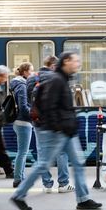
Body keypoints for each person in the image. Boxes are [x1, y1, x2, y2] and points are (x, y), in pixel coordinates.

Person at [10, 52, 102, 210]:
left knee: (78, 164)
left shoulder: (62, 79)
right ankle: (19, 195)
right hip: (58, 131)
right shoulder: (57, 80)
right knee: (43, 165)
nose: (78, 64)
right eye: (75, 61)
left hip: (66, 131)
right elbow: (49, 107)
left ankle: (83, 198)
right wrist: (58, 128)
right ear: (66, 62)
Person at [27, 55, 74, 194]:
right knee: (62, 152)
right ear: (54, 66)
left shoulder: (31, 78)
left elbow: (29, 102)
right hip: (55, 121)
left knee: (42, 152)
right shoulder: (56, 78)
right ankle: (63, 184)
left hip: (38, 122)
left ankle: (47, 185)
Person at [10, 62, 35, 188]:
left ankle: (20, 176)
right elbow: (23, 106)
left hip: (20, 122)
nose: (33, 73)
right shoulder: (22, 86)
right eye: (31, 70)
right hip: (23, 122)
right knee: (22, 152)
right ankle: (17, 179)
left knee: (22, 151)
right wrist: (33, 115)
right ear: (25, 72)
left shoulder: (18, 84)